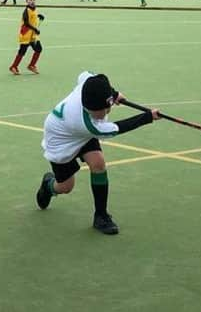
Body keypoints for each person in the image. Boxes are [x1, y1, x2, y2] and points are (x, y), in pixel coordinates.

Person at [36, 71, 161, 234]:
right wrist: (147, 117)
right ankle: (49, 186)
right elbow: (118, 128)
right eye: (97, 112)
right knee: (66, 187)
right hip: (61, 141)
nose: (101, 115)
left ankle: (101, 216)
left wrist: (113, 93)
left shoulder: (87, 85)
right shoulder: (90, 125)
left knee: (98, 163)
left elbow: (87, 75)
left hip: (77, 132)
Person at [8, 0, 44, 75]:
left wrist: (39, 16)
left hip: (33, 35)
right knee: (22, 51)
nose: (32, 1)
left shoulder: (34, 8)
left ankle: (32, 65)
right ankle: (13, 66)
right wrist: (35, 29)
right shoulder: (26, 10)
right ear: (26, 1)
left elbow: (33, 16)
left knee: (38, 49)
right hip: (26, 34)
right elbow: (26, 23)